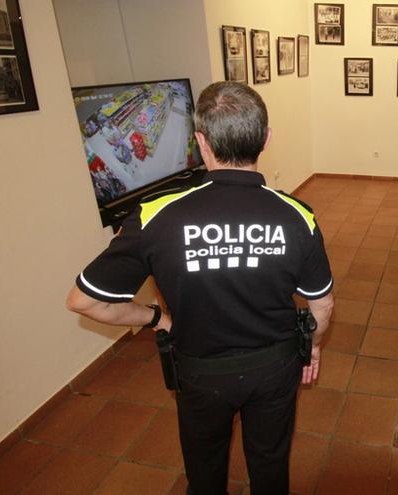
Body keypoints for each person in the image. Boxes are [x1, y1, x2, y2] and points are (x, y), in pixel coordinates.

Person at [65, 82, 335, 495]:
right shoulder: (297, 215)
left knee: (205, 472)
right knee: (270, 465)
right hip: (275, 368)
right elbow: (322, 304)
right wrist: (310, 346)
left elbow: (85, 301)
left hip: (199, 373)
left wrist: (156, 317)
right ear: (266, 138)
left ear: (201, 142)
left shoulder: (155, 216)